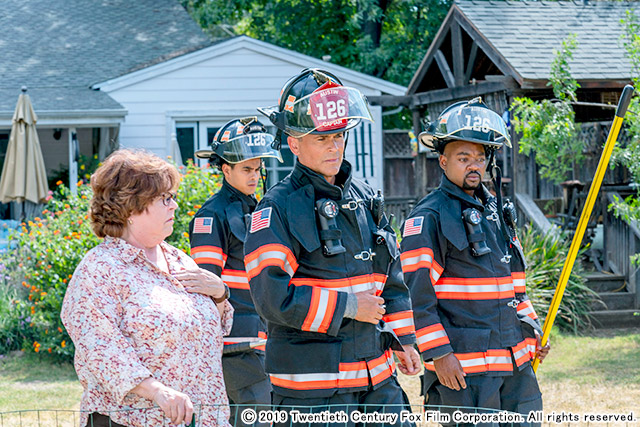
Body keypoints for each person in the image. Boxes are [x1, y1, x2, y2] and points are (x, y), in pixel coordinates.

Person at [245, 68, 421, 426]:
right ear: (294, 142)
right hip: (314, 390)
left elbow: (393, 278)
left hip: (377, 380)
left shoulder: (367, 197)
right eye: (321, 137)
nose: (334, 145)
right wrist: (349, 306)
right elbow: (271, 297)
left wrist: (404, 338)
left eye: (339, 135)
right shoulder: (276, 208)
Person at [399, 98, 551, 426]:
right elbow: (416, 298)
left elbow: (516, 286)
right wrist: (439, 356)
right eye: (463, 157)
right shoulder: (428, 218)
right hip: (464, 374)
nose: (474, 166)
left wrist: (534, 330)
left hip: (515, 368)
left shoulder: (496, 213)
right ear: (442, 161)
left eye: (480, 158)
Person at [61, 149, 233, 427]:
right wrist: (157, 392)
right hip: (133, 421)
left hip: (203, 419)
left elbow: (217, 327)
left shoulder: (179, 259)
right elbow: (101, 348)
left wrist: (220, 294)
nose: (174, 206)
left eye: (173, 197)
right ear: (131, 207)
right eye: (165, 198)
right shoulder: (100, 268)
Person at [189, 117, 282, 426]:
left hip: (263, 337)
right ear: (225, 169)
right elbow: (204, 285)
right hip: (233, 345)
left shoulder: (260, 210)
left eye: (258, 169)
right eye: (246, 169)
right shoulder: (210, 216)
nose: (254, 176)